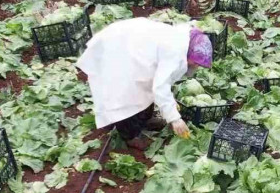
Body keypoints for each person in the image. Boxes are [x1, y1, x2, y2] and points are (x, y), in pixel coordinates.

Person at [77, 18, 213, 149]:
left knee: (144, 89)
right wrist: (175, 119)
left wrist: (169, 104)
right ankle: (130, 136)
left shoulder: (184, 40)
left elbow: (160, 81)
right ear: (190, 53)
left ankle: (145, 120)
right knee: (126, 96)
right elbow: (160, 87)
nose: (196, 66)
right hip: (118, 50)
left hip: (130, 44)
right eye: (196, 62)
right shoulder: (175, 52)